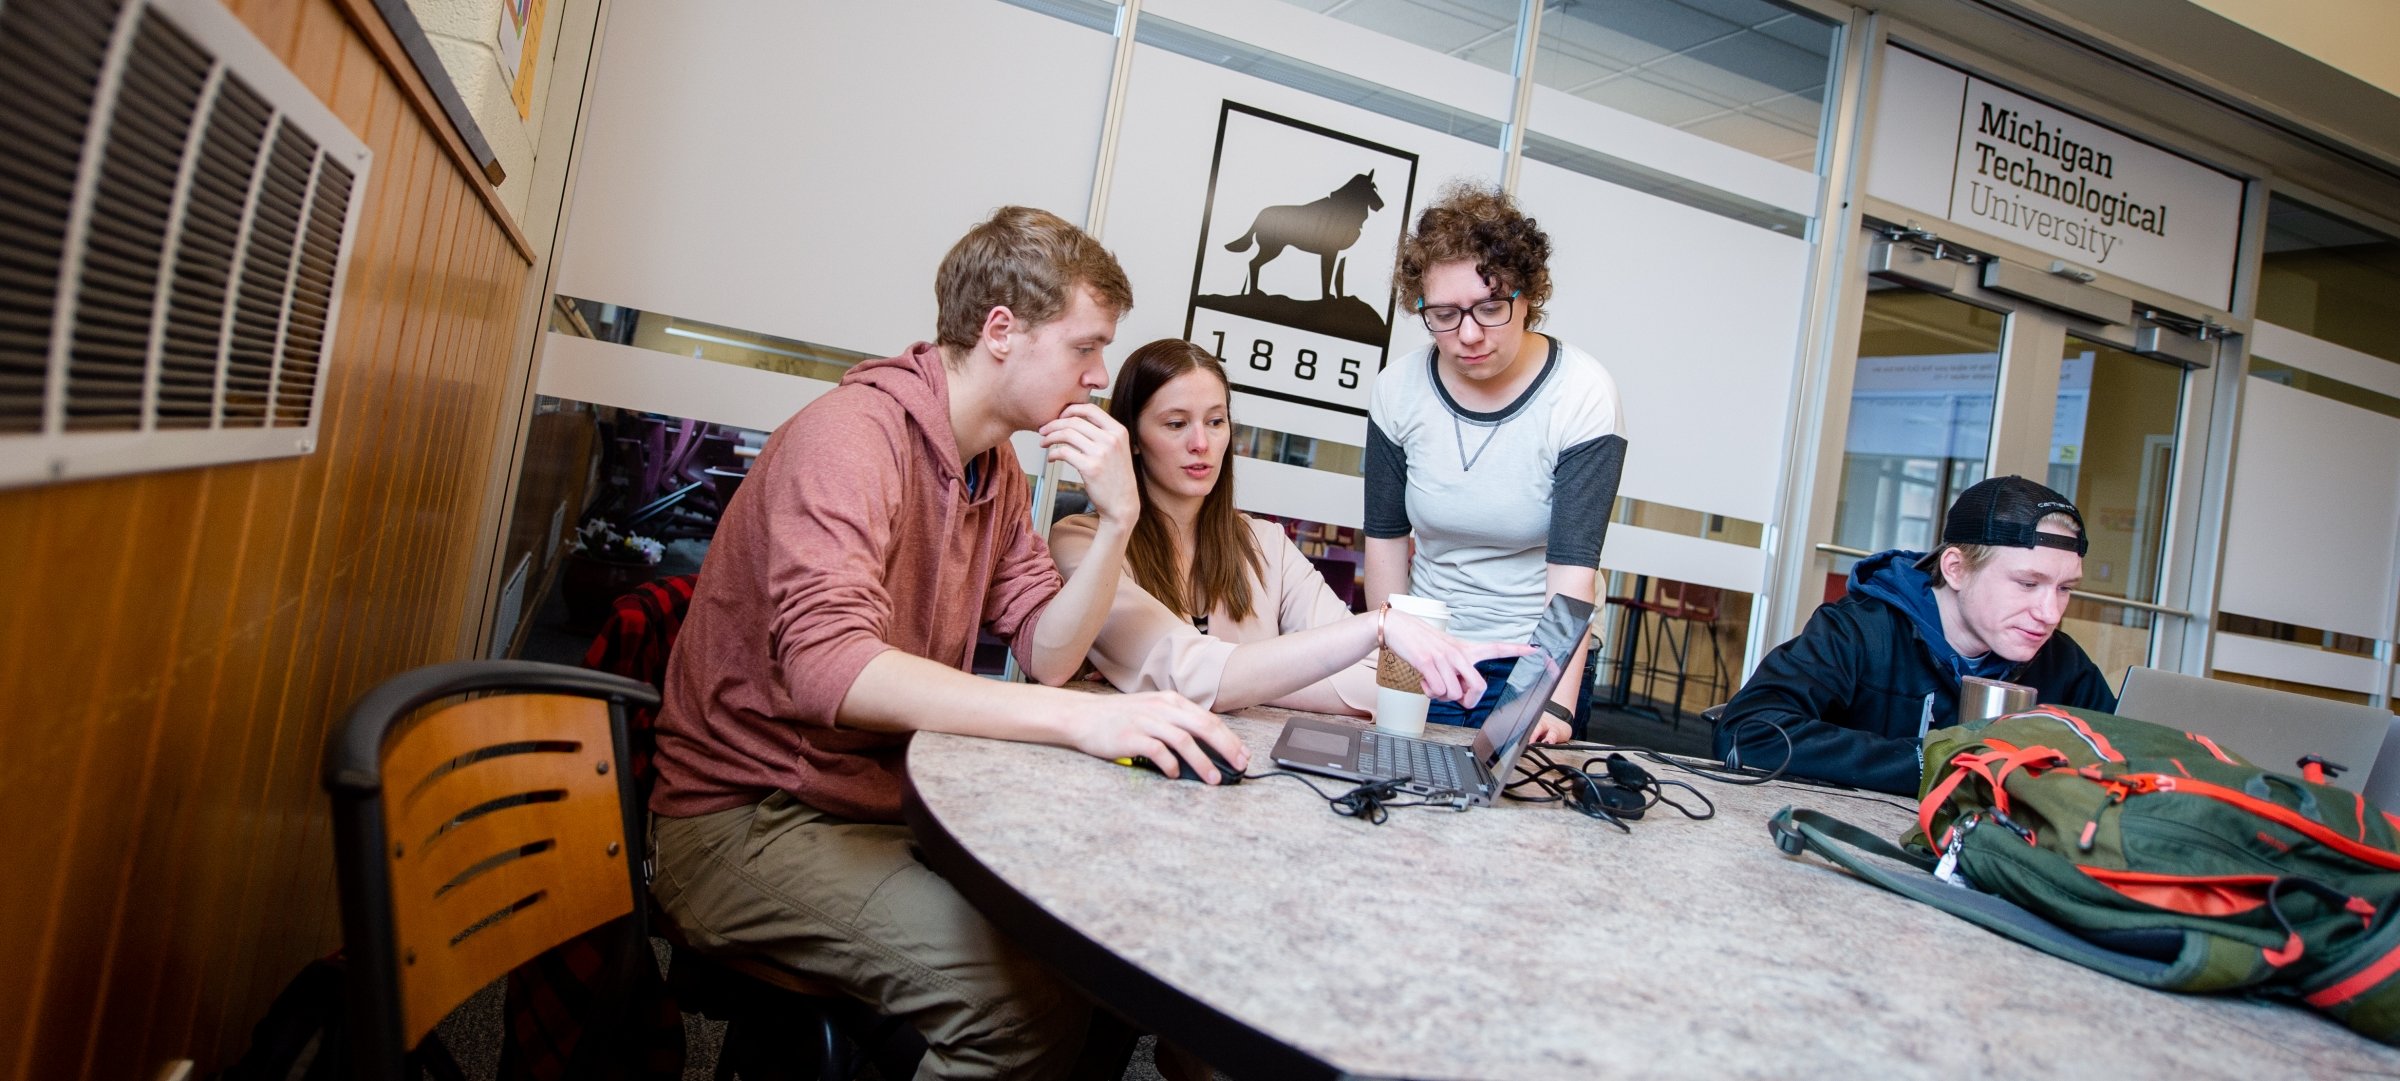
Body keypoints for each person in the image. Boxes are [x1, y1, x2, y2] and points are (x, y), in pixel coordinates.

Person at [646, 207, 1247, 1080]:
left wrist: (1116, 517)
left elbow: (1047, 649)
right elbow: (830, 669)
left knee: (1104, 953)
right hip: (746, 821)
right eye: (1085, 347)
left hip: (876, 800)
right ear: (1001, 331)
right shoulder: (852, 438)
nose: (1099, 374)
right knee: (1024, 1005)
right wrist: (1074, 723)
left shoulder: (992, 468)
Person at [1050, 339, 1529, 716]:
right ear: (1132, 438)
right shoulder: (1082, 543)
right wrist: (1256, 667)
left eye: (1216, 422)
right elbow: (1185, 671)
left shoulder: (1264, 544)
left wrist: (1239, 684)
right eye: (1176, 424)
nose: (1202, 443)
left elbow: (1373, 680)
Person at [1363, 180, 1627, 740]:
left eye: (1490, 307)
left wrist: (1552, 703)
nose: (1469, 335)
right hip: (1430, 647)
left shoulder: (1582, 393)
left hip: (1534, 652)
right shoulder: (1397, 391)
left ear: (1527, 296)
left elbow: (1573, 571)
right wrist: (1399, 663)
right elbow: (1385, 544)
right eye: (1444, 314)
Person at [1711, 475, 2120, 796]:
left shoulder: (2062, 663)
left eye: (2065, 589)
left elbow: (2130, 767)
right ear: (1956, 569)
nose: (2049, 614)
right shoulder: (1860, 631)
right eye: (2028, 584)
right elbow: (1749, 733)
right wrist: (1933, 762)